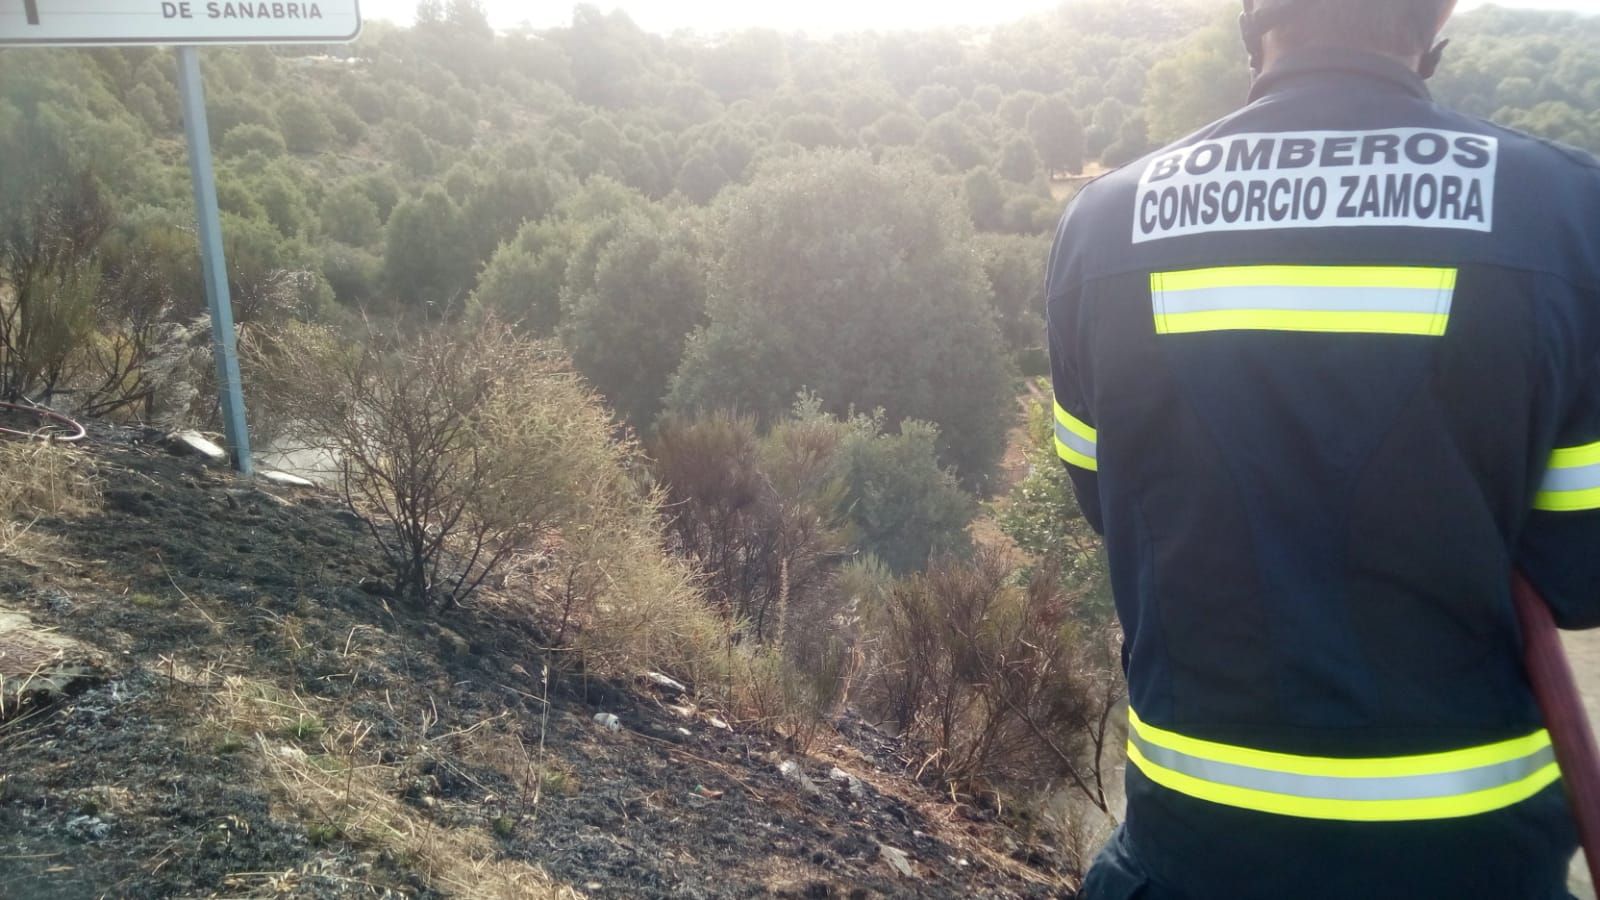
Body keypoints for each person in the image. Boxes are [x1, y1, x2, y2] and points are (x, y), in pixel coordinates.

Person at [1047, 0, 1600, 897]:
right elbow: (1580, 570)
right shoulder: (1571, 217)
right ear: (1435, 19)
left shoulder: (1102, 227)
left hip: (1192, 852)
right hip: (1471, 859)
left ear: (1256, 20)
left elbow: (1107, 505)